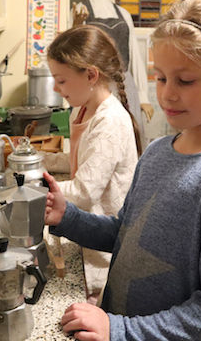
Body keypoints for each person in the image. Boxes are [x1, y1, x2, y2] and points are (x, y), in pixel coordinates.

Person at [43, 0, 201, 341]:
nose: (167, 95)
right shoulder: (160, 151)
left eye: (185, 81)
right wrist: (67, 218)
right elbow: (126, 235)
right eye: (160, 79)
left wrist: (120, 329)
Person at [43, 25, 142, 304]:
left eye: (61, 80)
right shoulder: (83, 106)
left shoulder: (109, 121)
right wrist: (40, 161)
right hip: (84, 233)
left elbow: (85, 192)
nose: (54, 87)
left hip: (103, 252)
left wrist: (32, 188)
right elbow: (84, 160)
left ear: (90, 75)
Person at [72, 0, 154, 149]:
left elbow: (134, 56)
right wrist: (76, 25)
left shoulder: (123, 13)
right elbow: (73, 55)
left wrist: (143, 96)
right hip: (97, 86)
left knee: (132, 141)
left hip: (127, 85)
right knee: (104, 142)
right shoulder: (80, 10)